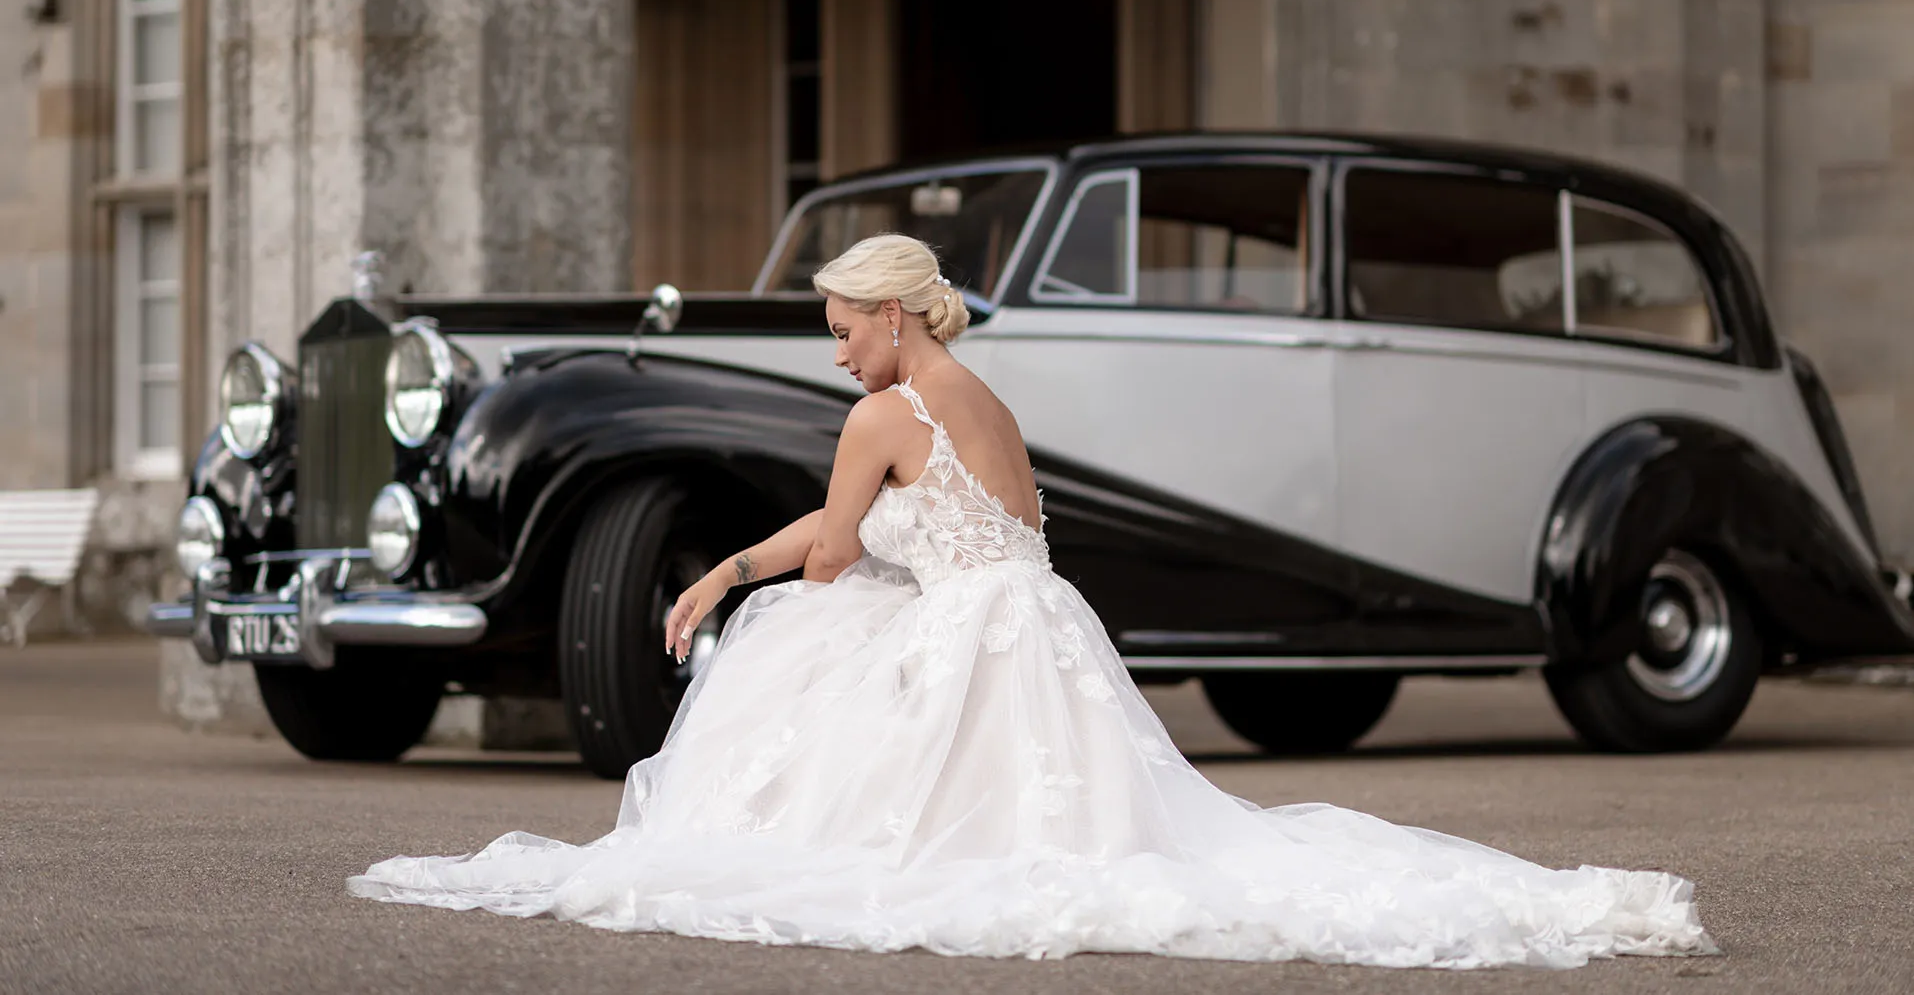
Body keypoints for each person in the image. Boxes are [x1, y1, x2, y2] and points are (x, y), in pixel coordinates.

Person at [348, 234, 1717, 969]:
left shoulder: (883, 413)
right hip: (1041, 624)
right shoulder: (983, 399)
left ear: (893, 321)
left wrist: (719, 573)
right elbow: (998, 532)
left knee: (795, 663)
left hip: (962, 629)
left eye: (840, 326)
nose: (833, 350)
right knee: (1113, 830)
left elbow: (832, 556)